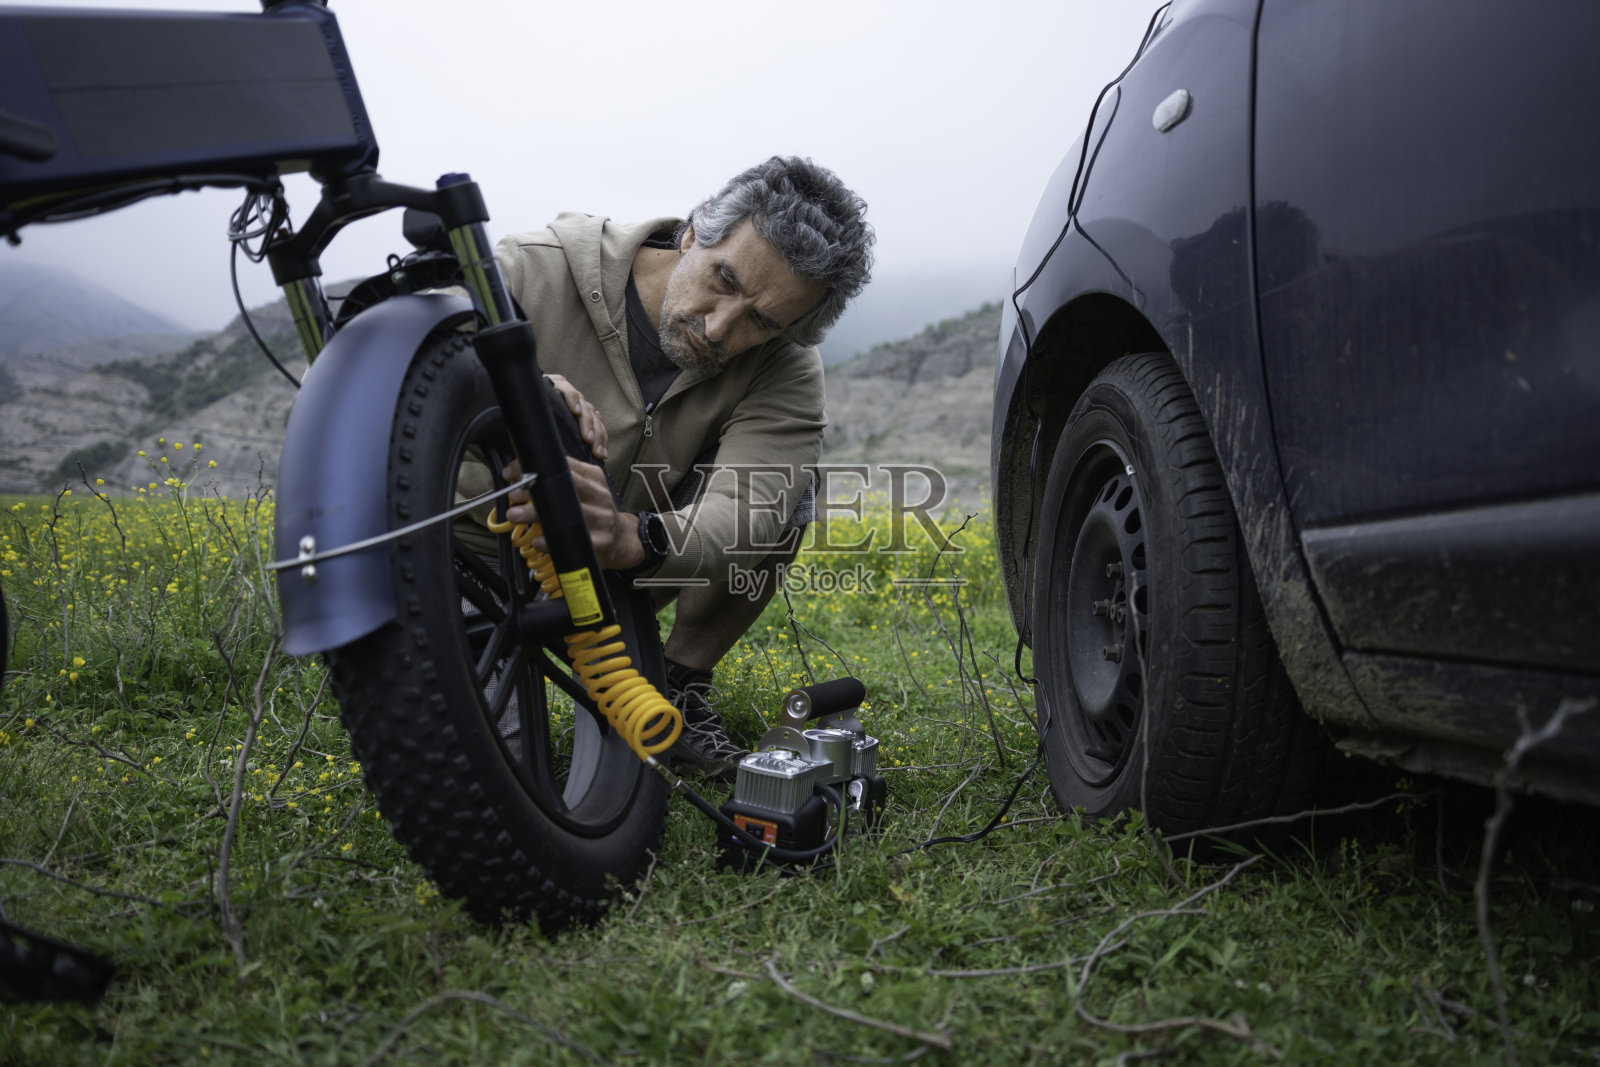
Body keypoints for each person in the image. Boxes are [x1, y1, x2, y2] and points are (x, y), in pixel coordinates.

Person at [494, 156, 873, 777]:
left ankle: (679, 681)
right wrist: (516, 386)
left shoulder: (785, 366)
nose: (719, 326)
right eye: (724, 279)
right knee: (502, 777)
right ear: (694, 231)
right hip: (471, 559)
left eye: (762, 319)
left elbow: (749, 507)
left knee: (791, 491)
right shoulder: (534, 268)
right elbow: (404, 362)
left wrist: (631, 537)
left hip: (623, 562)